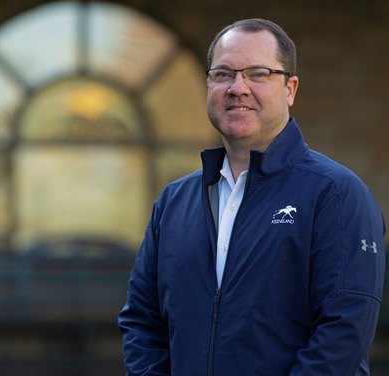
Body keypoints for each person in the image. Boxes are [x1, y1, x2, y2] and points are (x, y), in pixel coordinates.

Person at [118, 18, 386, 375]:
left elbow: (343, 331)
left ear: (290, 89)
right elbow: (142, 322)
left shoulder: (335, 194)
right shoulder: (174, 202)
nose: (237, 88)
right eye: (223, 74)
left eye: (258, 74)